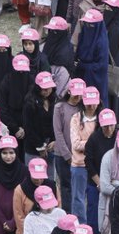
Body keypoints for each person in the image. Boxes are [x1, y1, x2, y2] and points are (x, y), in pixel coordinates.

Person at [70, 91, 103, 225]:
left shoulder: (102, 119)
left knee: (95, 200)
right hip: (79, 164)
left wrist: (88, 143)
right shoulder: (76, 118)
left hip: (97, 165)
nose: (91, 106)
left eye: (93, 103)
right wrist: (95, 143)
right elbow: (76, 144)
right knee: (78, 200)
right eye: (88, 103)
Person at [51, 78, 84, 207]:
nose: (78, 96)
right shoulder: (59, 107)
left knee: (79, 188)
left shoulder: (83, 108)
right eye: (76, 93)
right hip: (63, 155)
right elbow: (58, 132)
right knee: (66, 187)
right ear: (69, 92)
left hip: (80, 155)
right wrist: (67, 155)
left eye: (81, 94)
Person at [21, 71, 57, 173]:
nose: (47, 91)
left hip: (50, 147)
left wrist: (54, 140)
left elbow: (56, 123)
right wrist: (40, 147)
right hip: (33, 148)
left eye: (49, 88)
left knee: (49, 180)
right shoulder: (30, 103)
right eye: (44, 89)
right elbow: (28, 127)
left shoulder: (53, 100)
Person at [101, 0, 119, 122]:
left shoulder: (115, 29)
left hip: (112, 66)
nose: (107, 9)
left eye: (110, 8)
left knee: (112, 92)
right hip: (115, 64)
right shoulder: (117, 25)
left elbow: (108, 49)